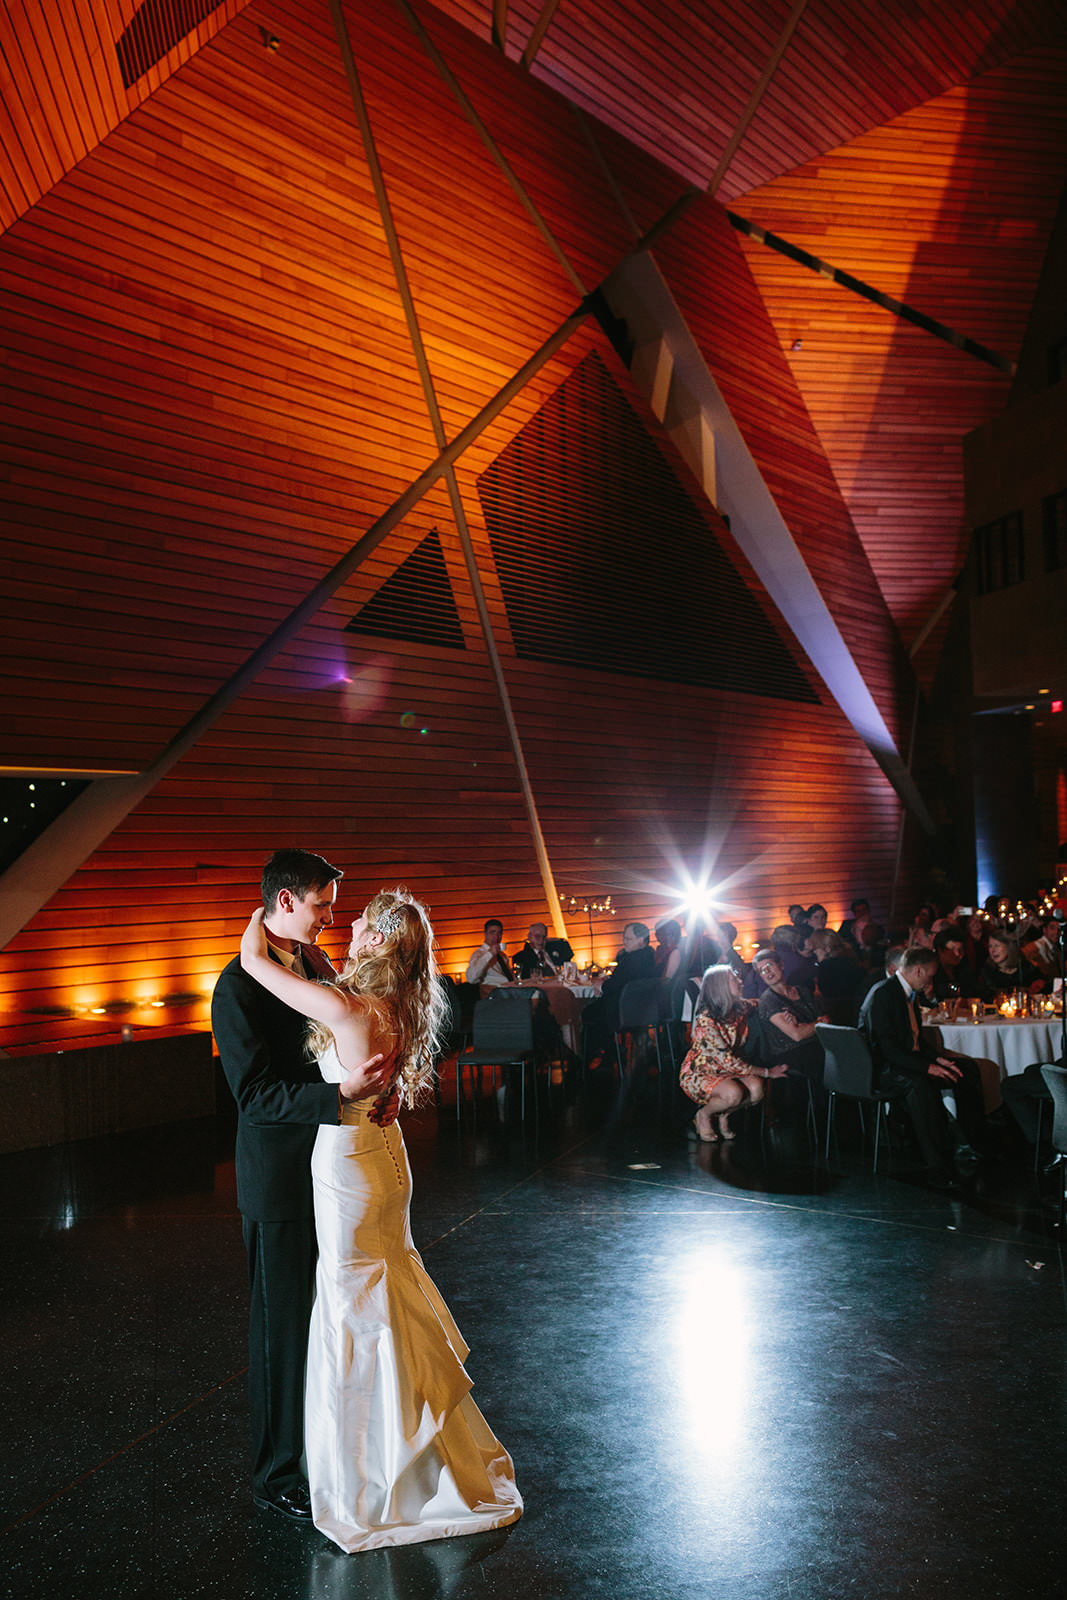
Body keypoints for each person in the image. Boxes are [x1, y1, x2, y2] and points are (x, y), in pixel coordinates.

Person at [238, 887, 522, 1553]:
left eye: (358, 924)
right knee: (385, 1293)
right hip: (383, 1157)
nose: (344, 928)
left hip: (349, 1168)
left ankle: (373, 1476)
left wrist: (265, 910)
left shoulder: (344, 1004)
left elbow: (255, 962)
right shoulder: (389, 1004)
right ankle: (406, 1449)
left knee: (354, 1305)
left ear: (377, 943)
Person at [211, 848, 393, 1523]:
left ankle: (320, 1446)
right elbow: (254, 1096)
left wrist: (367, 1095)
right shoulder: (236, 986)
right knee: (281, 1334)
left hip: (328, 1170)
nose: (329, 918)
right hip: (279, 1183)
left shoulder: (311, 963)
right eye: (320, 905)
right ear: (284, 901)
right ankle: (276, 1473)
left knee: (325, 1322)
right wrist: (340, 1096)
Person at [860, 946, 988, 1189]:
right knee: (919, 1084)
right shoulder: (884, 994)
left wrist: (937, 1059)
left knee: (966, 1069)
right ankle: (936, 1161)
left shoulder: (908, 993)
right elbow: (885, 1049)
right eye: (930, 975)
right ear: (918, 971)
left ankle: (971, 1144)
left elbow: (915, 1038)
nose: (931, 980)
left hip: (905, 1059)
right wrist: (927, 1067)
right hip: (884, 1067)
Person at [679, 964, 789, 1141]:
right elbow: (728, 1061)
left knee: (757, 1090)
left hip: (728, 1069)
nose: (740, 981)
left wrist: (785, 1012)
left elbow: (760, 1003)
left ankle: (724, 1115)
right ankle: (703, 1115)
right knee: (733, 1094)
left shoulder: (738, 1007)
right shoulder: (706, 1020)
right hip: (700, 1072)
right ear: (721, 986)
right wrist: (768, 1072)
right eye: (734, 978)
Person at [751, 948, 824, 1084]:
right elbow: (797, 1034)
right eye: (761, 970)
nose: (766, 972)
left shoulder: (803, 991)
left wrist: (811, 1025)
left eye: (769, 966)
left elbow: (824, 1018)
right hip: (789, 1055)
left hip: (813, 1046)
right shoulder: (769, 1000)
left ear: (781, 965)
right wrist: (818, 1024)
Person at [465, 918, 514, 987]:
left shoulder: (503, 956)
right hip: (495, 993)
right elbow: (471, 978)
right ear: (485, 934)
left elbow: (510, 977)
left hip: (510, 988)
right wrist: (490, 954)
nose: (496, 937)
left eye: (499, 933)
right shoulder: (479, 954)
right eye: (492, 932)